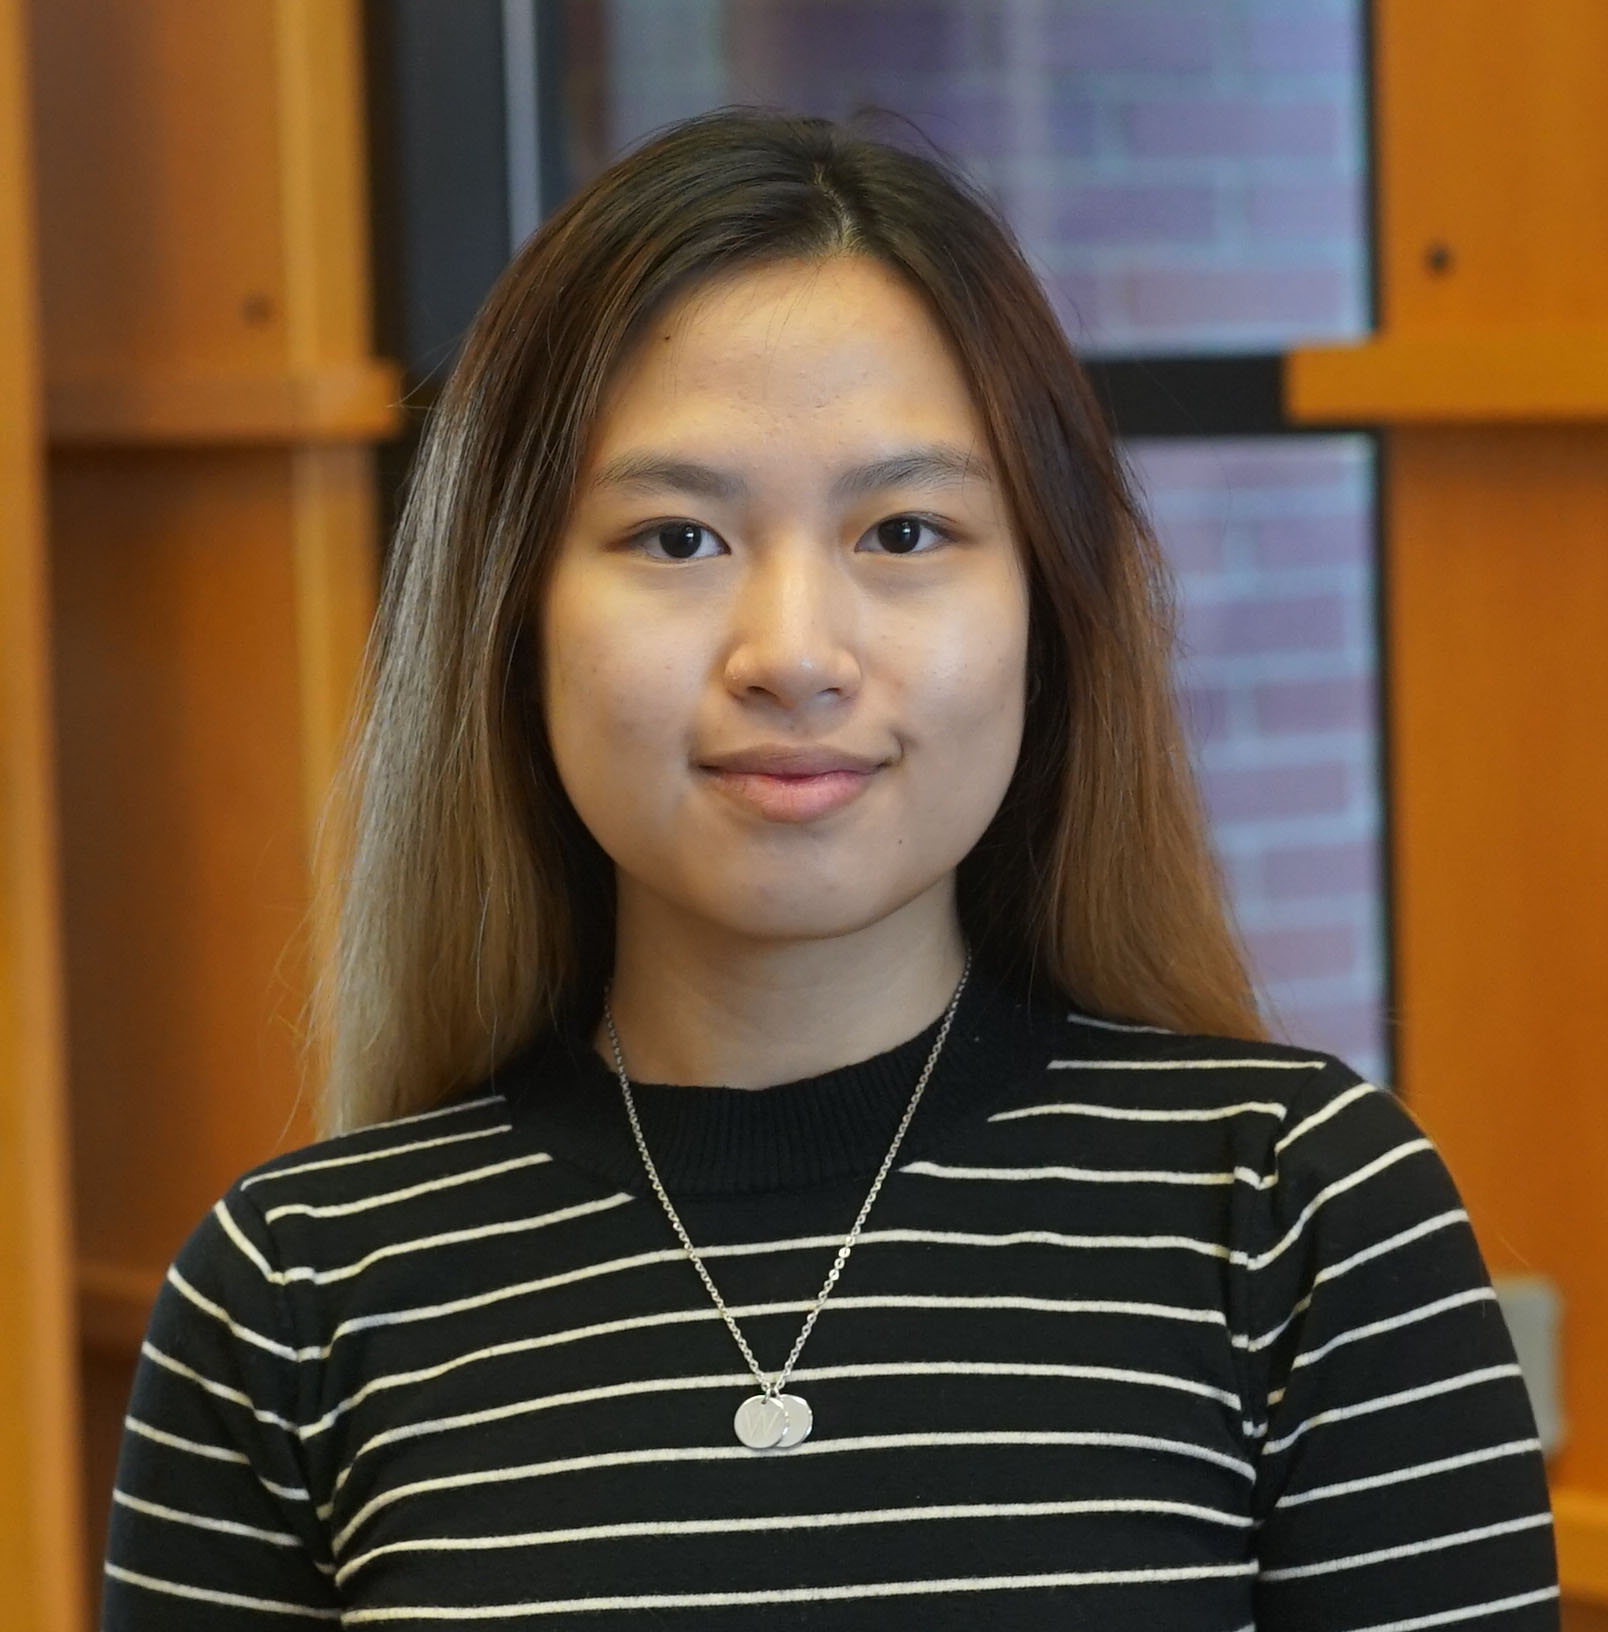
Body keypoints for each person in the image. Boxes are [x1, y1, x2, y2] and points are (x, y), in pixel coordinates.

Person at [101, 107, 1560, 1629]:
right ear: (510, 613)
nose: (793, 654)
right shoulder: (296, 1295)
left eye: (906, 530)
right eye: (676, 539)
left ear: (1046, 614)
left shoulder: (1293, 1212)